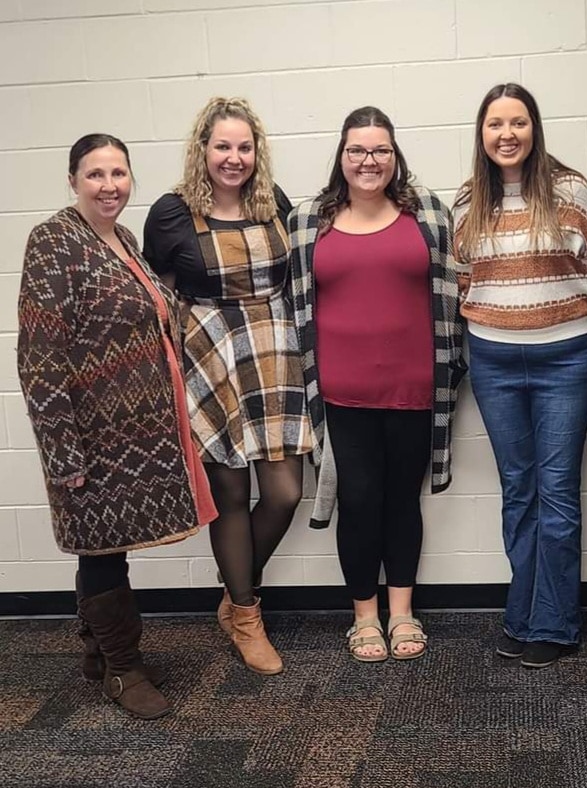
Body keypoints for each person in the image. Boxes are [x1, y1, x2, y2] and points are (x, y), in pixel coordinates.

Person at [17, 134, 218, 719]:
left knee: (110, 547)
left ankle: (99, 653)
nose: (110, 185)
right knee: (101, 549)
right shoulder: (54, 242)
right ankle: (124, 669)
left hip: (135, 434)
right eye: (96, 174)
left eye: (119, 173)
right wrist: (62, 452)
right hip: (88, 434)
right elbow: (39, 355)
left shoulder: (123, 239)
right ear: (73, 180)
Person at [288, 107, 465, 663]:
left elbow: (455, 293)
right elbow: (294, 303)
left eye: (380, 150)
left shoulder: (430, 214)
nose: (369, 160)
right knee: (358, 501)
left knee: (401, 503)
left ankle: (403, 611)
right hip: (340, 395)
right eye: (357, 150)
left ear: (395, 156)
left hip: (416, 388)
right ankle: (364, 616)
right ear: (341, 157)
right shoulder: (306, 221)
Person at [143, 98, 312, 676]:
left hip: (272, 355)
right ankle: (246, 614)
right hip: (209, 360)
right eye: (223, 147)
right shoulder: (171, 214)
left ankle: (235, 589)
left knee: (285, 491)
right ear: (203, 151)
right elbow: (158, 299)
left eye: (244, 147)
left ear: (255, 153)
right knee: (232, 497)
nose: (234, 158)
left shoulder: (274, 204)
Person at [454, 83, 587, 669]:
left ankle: (556, 623)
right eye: (495, 124)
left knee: (558, 492)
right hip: (493, 362)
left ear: (534, 129)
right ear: (482, 134)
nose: (507, 134)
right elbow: (465, 278)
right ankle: (522, 614)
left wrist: (551, 309)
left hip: (564, 359)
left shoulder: (569, 191)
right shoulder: (469, 200)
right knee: (519, 491)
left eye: (518, 122)